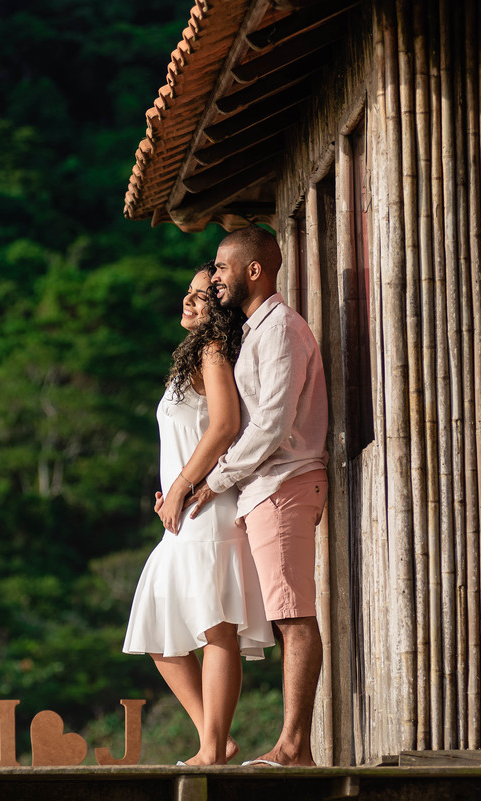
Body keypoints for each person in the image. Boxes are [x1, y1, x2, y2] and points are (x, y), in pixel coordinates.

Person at [187, 226, 330, 768]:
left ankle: (294, 747)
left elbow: (271, 425)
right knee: (285, 616)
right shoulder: (256, 331)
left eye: (222, 267)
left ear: (255, 270)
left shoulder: (281, 331)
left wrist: (214, 479)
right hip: (266, 489)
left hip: (283, 484)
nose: (214, 276)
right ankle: (291, 744)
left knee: (294, 617)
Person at [123, 263, 274, 767]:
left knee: (216, 627)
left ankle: (212, 746)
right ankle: (214, 738)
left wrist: (186, 484)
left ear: (220, 306)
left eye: (200, 295)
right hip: (183, 513)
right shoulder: (194, 354)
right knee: (158, 624)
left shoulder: (213, 351)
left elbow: (226, 423)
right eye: (187, 292)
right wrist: (171, 490)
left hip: (209, 509)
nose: (188, 301)